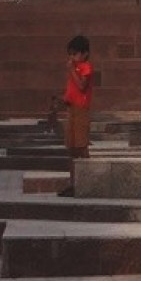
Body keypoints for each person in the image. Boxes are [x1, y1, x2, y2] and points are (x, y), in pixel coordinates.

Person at [58, 34, 93, 196]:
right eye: (70, 54)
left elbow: (81, 86)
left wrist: (72, 69)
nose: (72, 57)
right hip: (72, 109)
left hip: (81, 110)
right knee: (71, 148)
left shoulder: (85, 67)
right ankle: (72, 183)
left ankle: (87, 182)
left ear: (84, 53)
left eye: (75, 54)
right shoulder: (75, 68)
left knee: (81, 146)